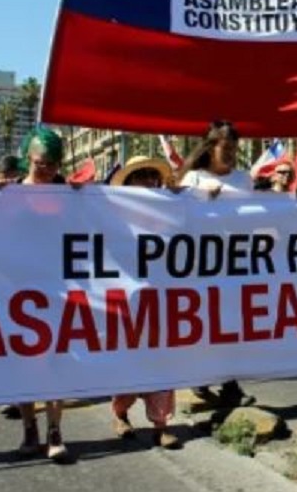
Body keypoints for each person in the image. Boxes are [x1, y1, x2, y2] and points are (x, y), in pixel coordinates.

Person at [175, 120, 256, 408]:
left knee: (234, 324)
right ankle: (205, 377)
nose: (232, 153)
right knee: (209, 324)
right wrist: (200, 202)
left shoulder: (244, 179)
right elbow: (177, 217)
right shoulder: (193, 179)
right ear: (211, 147)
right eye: (226, 148)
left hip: (236, 262)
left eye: (235, 148)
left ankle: (229, 383)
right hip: (203, 266)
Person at [109, 156, 181, 449]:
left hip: (162, 298)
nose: (150, 181)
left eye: (154, 175)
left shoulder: (169, 211)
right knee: (127, 360)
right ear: (128, 182)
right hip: (127, 299)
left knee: (161, 361)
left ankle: (161, 425)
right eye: (142, 176)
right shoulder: (113, 215)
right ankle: (120, 413)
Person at [11, 127, 72, 461]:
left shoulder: (70, 195)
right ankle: (29, 429)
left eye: (53, 163)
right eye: (40, 163)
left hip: (58, 290)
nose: (47, 169)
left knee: (56, 362)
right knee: (24, 363)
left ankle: (54, 430)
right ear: (27, 159)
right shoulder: (7, 194)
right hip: (17, 292)